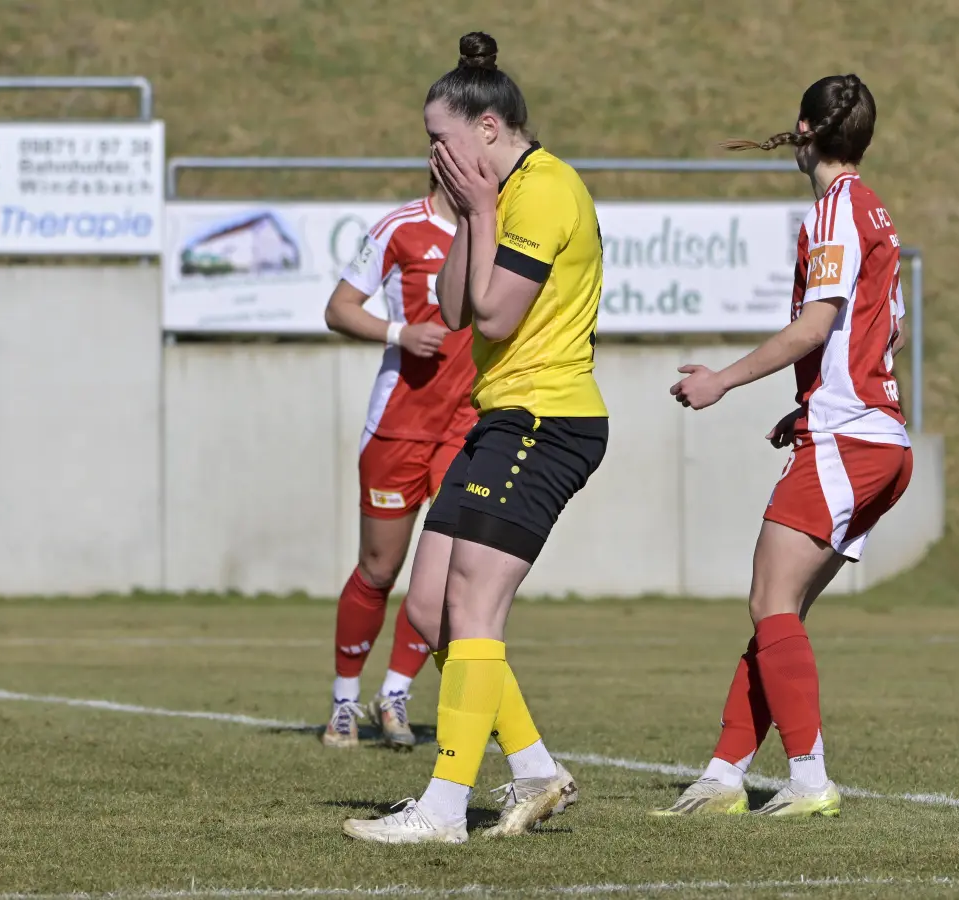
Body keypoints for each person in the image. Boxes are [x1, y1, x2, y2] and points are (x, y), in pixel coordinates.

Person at [343, 31, 606, 843]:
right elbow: (453, 309)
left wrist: (483, 208)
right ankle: (534, 771)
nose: (435, 155)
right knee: (430, 608)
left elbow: (495, 314)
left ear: (488, 129)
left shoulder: (545, 191)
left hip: (544, 418)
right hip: (503, 417)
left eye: (442, 140)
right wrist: (468, 213)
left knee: (475, 607)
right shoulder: (490, 200)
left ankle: (444, 809)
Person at [656, 74, 911, 819]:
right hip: (877, 436)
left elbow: (815, 325)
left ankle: (808, 780)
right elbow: (885, 331)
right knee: (780, 612)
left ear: (804, 129)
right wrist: (804, 405)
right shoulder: (877, 214)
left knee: (770, 601)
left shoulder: (834, 211)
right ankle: (725, 772)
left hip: (848, 435)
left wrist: (724, 382)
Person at [319, 176, 474, 749]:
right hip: (399, 427)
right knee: (380, 568)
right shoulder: (399, 228)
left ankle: (397, 693)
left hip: (467, 429)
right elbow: (338, 309)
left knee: (439, 574)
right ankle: (343, 701)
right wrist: (399, 332)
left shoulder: (498, 227)